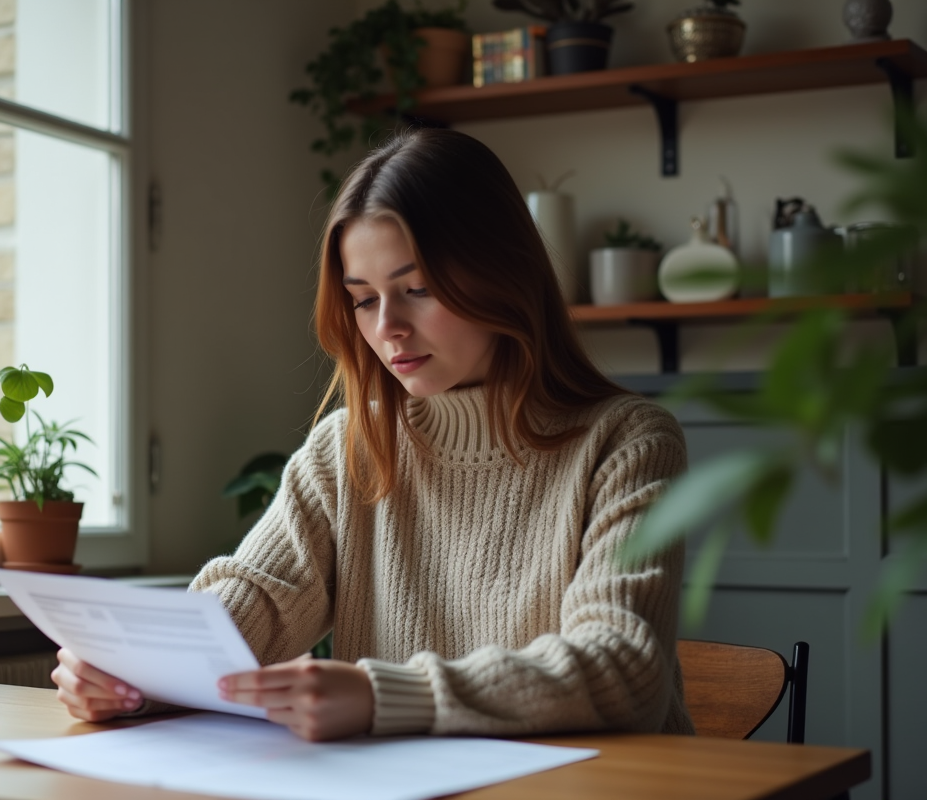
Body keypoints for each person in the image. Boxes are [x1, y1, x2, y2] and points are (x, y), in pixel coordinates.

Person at [52, 128, 694, 742]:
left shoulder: (627, 441)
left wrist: (385, 696)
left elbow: (621, 668)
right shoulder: (348, 448)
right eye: (362, 298)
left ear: (503, 273)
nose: (388, 326)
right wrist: (133, 674)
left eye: (416, 289)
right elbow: (257, 607)